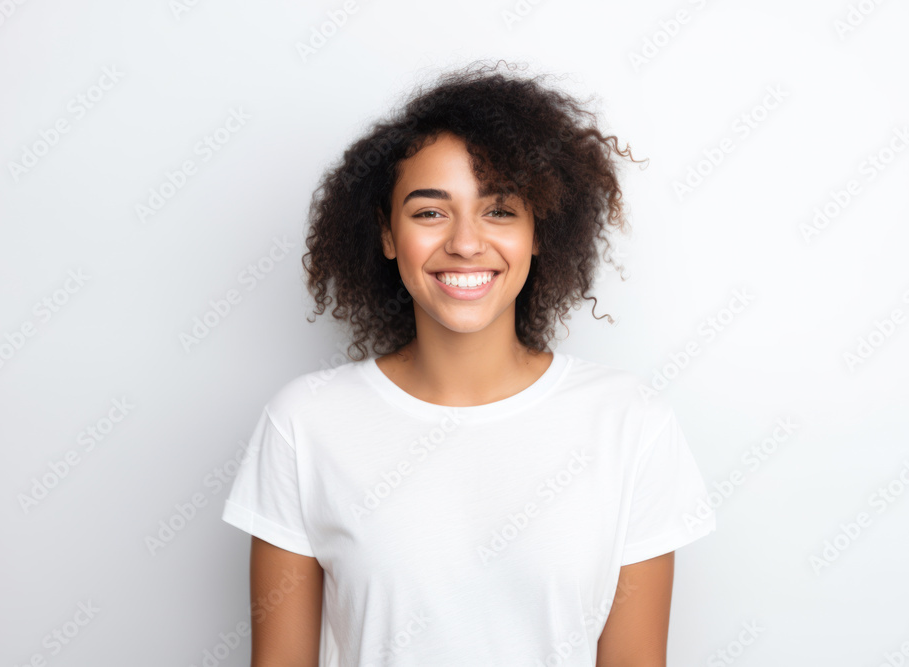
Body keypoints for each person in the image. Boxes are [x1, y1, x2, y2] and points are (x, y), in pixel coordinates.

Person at [221, 59, 716, 666]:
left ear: (540, 232)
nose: (464, 241)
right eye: (430, 212)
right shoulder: (304, 424)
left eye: (499, 210)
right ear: (385, 234)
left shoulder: (629, 423)